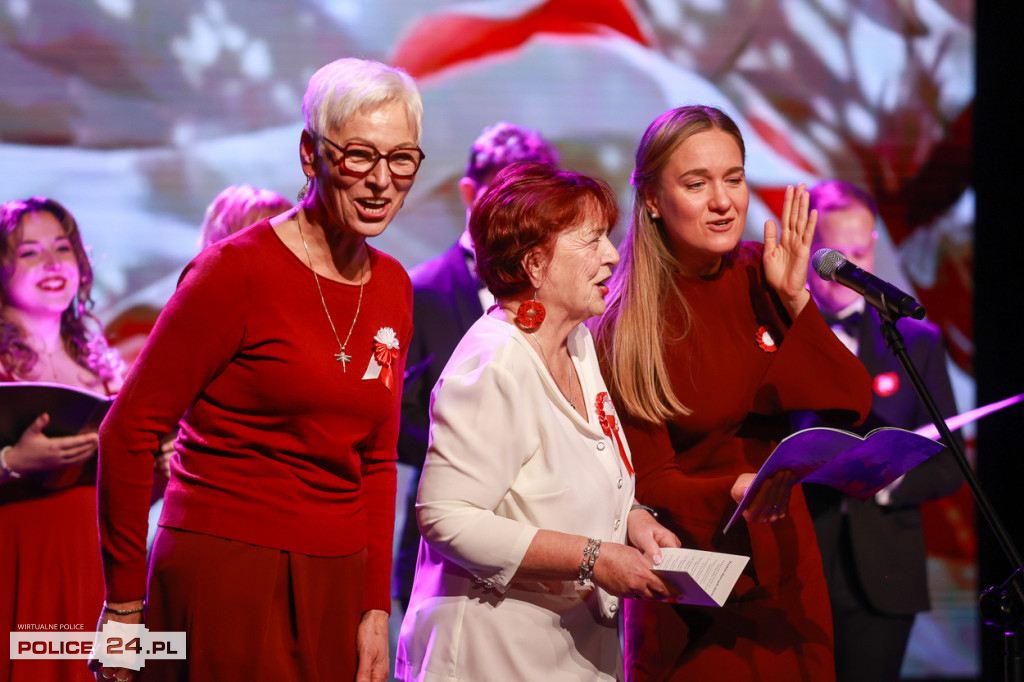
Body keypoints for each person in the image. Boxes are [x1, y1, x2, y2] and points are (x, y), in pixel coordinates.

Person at [93, 57, 423, 682]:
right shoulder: (234, 272)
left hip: (336, 580)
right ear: (309, 154)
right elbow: (128, 430)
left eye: (401, 158)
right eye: (359, 155)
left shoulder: (394, 287)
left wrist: (375, 608)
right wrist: (125, 606)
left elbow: (377, 460)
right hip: (227, 573)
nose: (382, 181)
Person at [592, 105, 872, 681]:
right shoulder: (626, 321)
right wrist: (734, 489)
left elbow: (851, 399)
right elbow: (645, 480)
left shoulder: (760, 274)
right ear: (650, 199)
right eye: (697, 183)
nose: (723, 201)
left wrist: (796, 299)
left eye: (734, 178)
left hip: (785, 561)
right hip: (692, 576)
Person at [395, 162, 680, 682]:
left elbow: (579, 473)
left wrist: (635, 522)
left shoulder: (577, 343)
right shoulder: (496, 363)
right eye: (592, 240)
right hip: (490, 657)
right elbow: (446, 517)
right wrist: (595, 558)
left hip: (567, 651)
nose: (612, 256)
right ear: (535, 264)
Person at [800, 179, 963, 682]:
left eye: (857, 253)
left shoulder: (915, 340)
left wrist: (889, 483)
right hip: (801, 566)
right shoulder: (778, 333)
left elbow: (950, 460)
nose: (846, 270)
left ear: (873, 246)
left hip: (886, 572)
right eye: (834, 255)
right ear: (808, 249)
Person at [395, 121, 560, 609]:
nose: (517, 215)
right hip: (446, 550)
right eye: (503, 195)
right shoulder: (419, 291)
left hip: (549, 542)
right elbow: (395, 421)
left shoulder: (564, 294)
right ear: (469, 192)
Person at [0, 196, 124, 682]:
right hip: (17, 561)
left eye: (62, 248)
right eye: (29, 252)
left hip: (97, 567)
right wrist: (12, 460)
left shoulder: (104, 367)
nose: (52, 264)